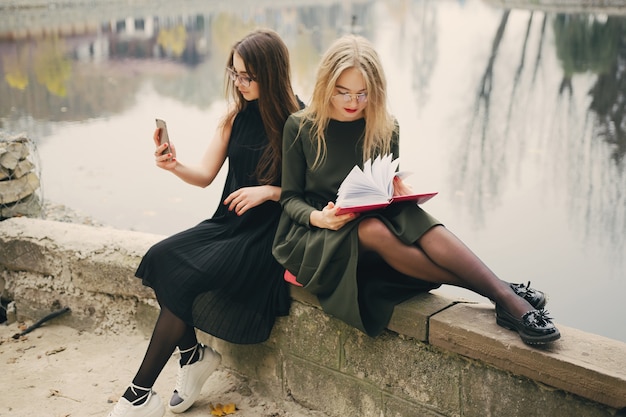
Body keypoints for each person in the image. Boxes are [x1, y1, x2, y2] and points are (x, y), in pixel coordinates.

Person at [272, 34, 560, 347]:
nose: (353, 103)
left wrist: (396, 189)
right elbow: (290, 199)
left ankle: (504, 298)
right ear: (327, 84)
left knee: (408, 214)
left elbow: (381, 184)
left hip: (369, 216)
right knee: (372, 230)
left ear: (376, 91)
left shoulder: (385, 126)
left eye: (363, 94)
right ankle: (504, 293)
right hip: (315, 234)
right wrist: (319, 218)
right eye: (343, 93)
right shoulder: (300, 126)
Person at [107, 29, 302, 417]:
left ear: (272, 73)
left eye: (248, 76)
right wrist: (173, 164)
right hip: (227, 225)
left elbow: (313, 195)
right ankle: (192, 355)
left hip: (267, 236)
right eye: (235, 74)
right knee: (162, 256)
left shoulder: (300, 122)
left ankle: (139, 394)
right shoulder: (234, 117)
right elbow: (206, 175)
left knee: (186, 277)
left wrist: (269, 192)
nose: (240, 83)